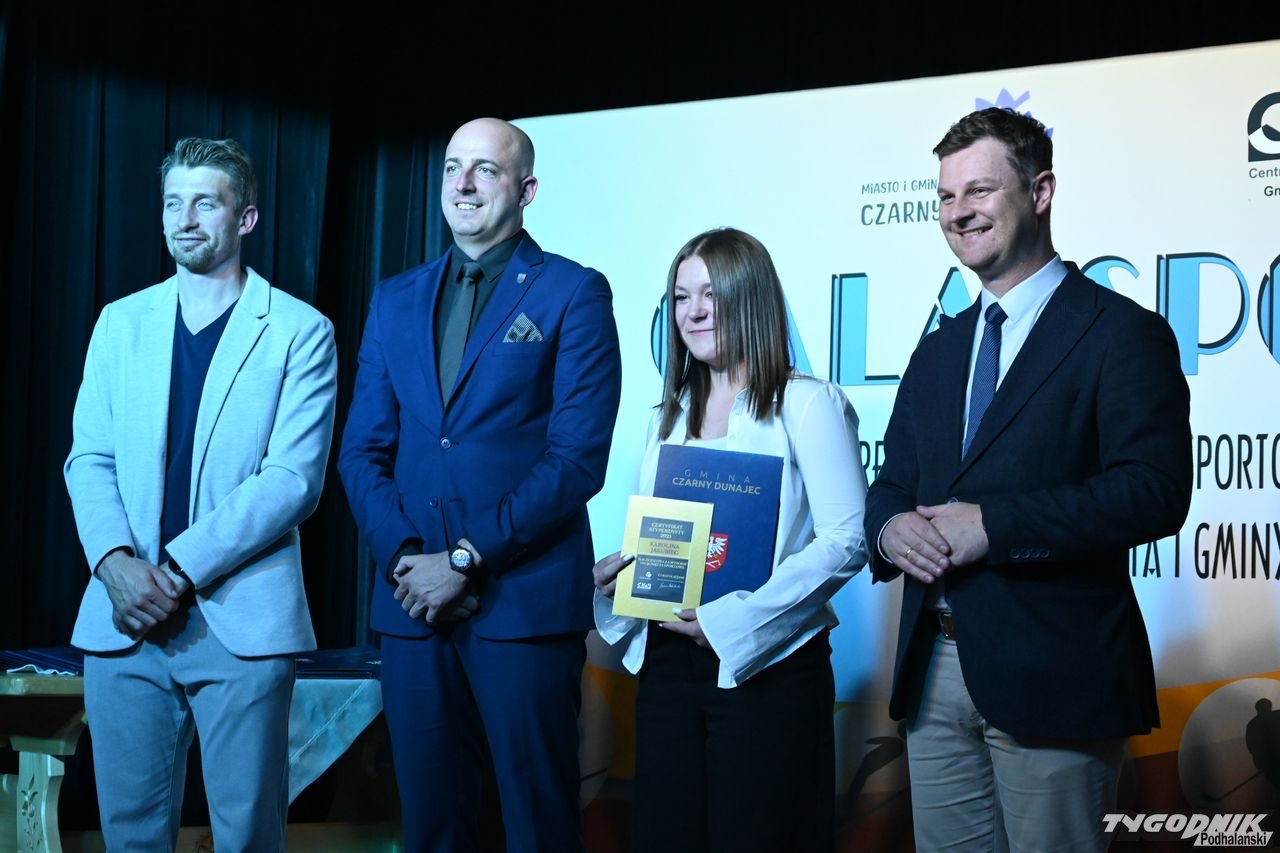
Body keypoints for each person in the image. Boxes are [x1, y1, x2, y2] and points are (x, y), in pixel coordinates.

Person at [865, 107, 1192, 851]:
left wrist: (994, 527)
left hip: (1057, 676)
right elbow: (893, 482)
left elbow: (1154, 490)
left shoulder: (1120, 332)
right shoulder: (940, 348)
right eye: (946, 197)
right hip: (933, 673)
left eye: (979, 190)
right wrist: (888, 528)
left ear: (1041, 191)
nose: (959, 212)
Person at [338, 117, 622, 853]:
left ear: (526, 190)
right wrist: (408, 559)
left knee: (537, 827)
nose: (463, 184)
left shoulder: (574, 292)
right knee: (432, 829)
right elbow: (361, 453)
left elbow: (576, 459)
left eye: (485, 170)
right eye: (451, 168)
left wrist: (464, 558)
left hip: (521, 608)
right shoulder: (395, 298)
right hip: (412, 609)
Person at [64, 136, 338, 851]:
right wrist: (116, 565)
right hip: (124, 617)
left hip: (240, 618)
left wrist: (178, 570)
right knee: (129, 836)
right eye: (172, 203)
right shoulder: (120, 322)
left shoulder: (300, 330)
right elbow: (88, 457)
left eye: (205, 204)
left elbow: (293, 479)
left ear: (244, 218)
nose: (185, 220)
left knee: (247, 836)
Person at [593, 227, 868, 853]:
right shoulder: (665, 416)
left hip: (769, 668)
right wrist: (621, 580)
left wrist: (735, 619)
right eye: (681, 296)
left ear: (752, 298)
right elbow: (662, 537)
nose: (693, 312)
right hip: (667, 667)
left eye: (711, 294)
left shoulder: (807, 403)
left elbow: (849, 538)